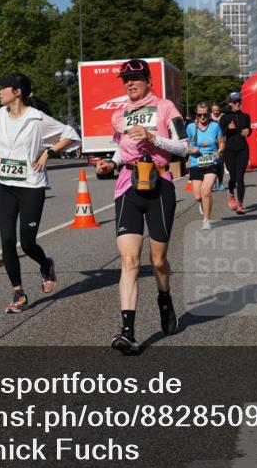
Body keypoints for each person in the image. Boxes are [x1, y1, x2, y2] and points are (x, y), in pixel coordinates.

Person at [95, 59, 189, 354]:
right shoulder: (119, 114)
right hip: (128, 186)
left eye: (135, 78)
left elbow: (183, 148)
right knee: (129, 260)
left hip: (160, 184)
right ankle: (128, 332)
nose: (130, 83)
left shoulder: (165, 108)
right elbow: (122, 149)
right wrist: (112, 162)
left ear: (149, 80)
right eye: (125, 79)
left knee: (158, 260)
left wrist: (152, 137)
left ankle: (164, 296)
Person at [0, 73, 80, 313]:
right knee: (7, 241)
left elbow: (71, 135)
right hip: (6, 185)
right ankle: (18, 292)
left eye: (3, 88)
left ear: (17, 92)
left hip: (32, 186)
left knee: (27, 243)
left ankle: (45, 264)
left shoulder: (37, 118)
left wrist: (47, 152)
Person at [186, 102, 224, 230]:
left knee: (206, 191)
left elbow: (221, 143)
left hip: (211, 161)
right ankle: (202, 203)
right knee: (198, 196)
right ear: (196, 114)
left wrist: (219, 152)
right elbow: (186, 146)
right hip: (196, 163)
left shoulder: (215, 126)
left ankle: (206, 220)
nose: (203, 118)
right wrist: (192, 150)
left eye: (205, 115)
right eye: (199, 115)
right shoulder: (191, 127)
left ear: (209, 114)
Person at [218, 92, 251, 214]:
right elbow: (220, 133)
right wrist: (228, 128)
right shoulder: (224, 117)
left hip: (243, 149)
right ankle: (231, 193)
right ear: (230, 103)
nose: (238, 104)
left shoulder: (246, 116)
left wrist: (249, 130)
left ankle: (240, 204)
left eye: (239, 101)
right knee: (233, 178)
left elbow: (248, 129)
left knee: (240, 177)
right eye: (235, 102)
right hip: (230, 151)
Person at [209, 103, 227, 191]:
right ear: (211, 110)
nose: (216, 112)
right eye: (214, 110)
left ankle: (220, 182)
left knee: (220, 163)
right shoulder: (208, 118)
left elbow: (226, 128)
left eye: (217, 110)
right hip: (211, 143)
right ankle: (213, 183)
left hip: (221, 142)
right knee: (212, 163)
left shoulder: (223, 117)